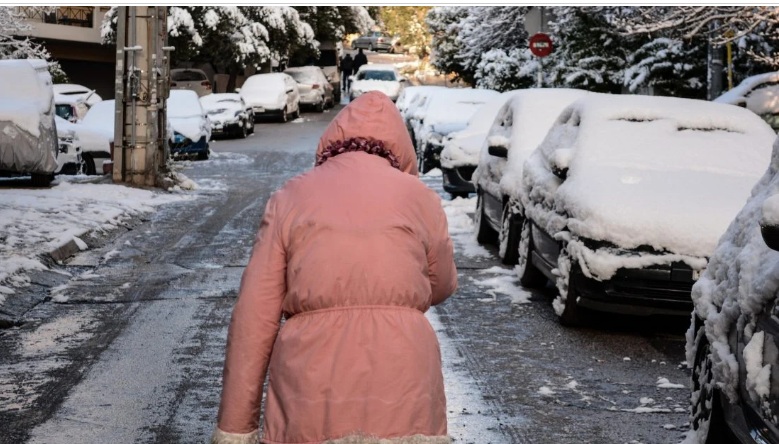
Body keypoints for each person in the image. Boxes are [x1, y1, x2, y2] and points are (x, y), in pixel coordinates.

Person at [211, 91, 458, 444]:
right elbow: (443, 284)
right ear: (402, 147)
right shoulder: (419, 198)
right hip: (404, 376)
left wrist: (236, 426)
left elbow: (255, 315)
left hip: (311, 381)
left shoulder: (292, 196)